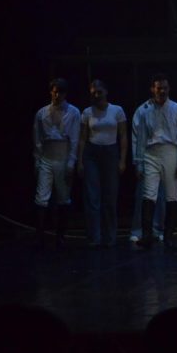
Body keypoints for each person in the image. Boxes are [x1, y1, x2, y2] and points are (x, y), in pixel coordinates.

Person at [132, 73, 177, 249]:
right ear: (153, 89)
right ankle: (147, 234)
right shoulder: (144, 110)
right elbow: (141, 138)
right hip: (151, 152)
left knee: (172, 194)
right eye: (159, 88)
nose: (162, 91)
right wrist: (139, 162)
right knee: (148, 193)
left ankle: (168, 235)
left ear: (169, 88)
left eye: (165, 88)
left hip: (170, 151)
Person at [77, 80, 127, 248]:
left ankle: (110, 237)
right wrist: (80, 161)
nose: (97, 95)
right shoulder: (87, 112)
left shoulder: (117, 110)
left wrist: (122, 160)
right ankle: (94, 237)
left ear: (105, 91)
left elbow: (123, 136)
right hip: (92, 154)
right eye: (93, 93)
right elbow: (82, 138)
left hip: (110, 153)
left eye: (99, 92)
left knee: (110, 197)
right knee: (93, 197)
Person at [33, 78, 81, 248]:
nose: (57, 95)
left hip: (63, 156)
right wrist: (37, 160)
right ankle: (40, 235)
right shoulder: (41, 113)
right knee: (41, 197)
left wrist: (71, 162)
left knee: (63, 197)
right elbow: (37, 139)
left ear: (65, 94)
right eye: (54, 92)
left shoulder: (73, 112)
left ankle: (61, 235)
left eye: (60, 92)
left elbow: (74, 139)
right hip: (47, 156)